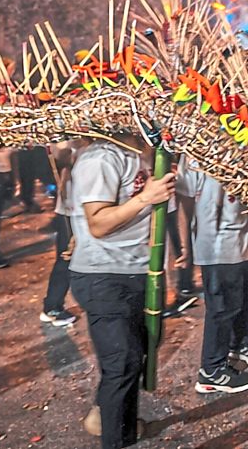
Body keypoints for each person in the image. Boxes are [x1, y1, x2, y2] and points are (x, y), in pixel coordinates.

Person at [68, 135, 176, 449]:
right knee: (123, 361)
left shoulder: (145, 153)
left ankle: (108, 418)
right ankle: (116, 438)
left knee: (134, 354)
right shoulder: (101, 157)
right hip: (104, 275)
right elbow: (98, 224)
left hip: (138, 270)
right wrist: (146, 198)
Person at [176, 159, 248, 395]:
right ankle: (212, 370)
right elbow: (184, 198)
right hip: (217, 241)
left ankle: (239, 342)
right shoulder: (197, 149)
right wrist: (184, 244)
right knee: (223, 306)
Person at [39, 142, 78, 327]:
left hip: (85, 207)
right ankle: (52, 307)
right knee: (66, 257)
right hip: (73, 210)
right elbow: (59, 157)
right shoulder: (66, 141)